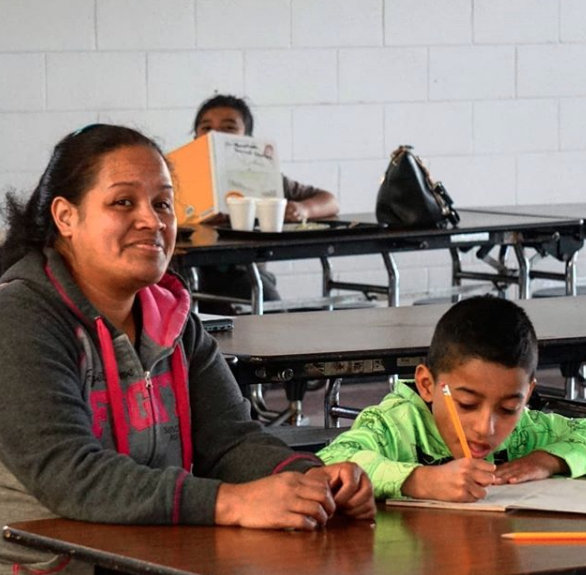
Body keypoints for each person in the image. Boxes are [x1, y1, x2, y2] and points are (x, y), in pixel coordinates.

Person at [0, 124, 374, 575]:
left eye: (163, 203)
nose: (152, 221)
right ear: (66, 217)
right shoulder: (21, 316)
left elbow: (230, 440)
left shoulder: (173, 320)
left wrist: (305, 476)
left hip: (148, 557)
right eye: (123, 202)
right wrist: (228, 502)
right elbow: (71, 473)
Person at [318, 296, 586, 502]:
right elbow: (331, 461)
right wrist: (421, 481)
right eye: (467, 404)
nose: (485, 428)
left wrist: (547, 460)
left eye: (508, 408)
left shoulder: (525, 432)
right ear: (426, 384)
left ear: (526, 395)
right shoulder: (396, 425)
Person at [192, 94, 340, 314]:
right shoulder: (180, 176)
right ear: (196, 136)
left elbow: (330, 201)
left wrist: (303, 209)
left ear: (248, 138)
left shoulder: (263, 175)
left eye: (229, 128)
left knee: (270, 312)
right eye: (206, 128)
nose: (216, 134)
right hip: (191, 273)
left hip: (246, 271)